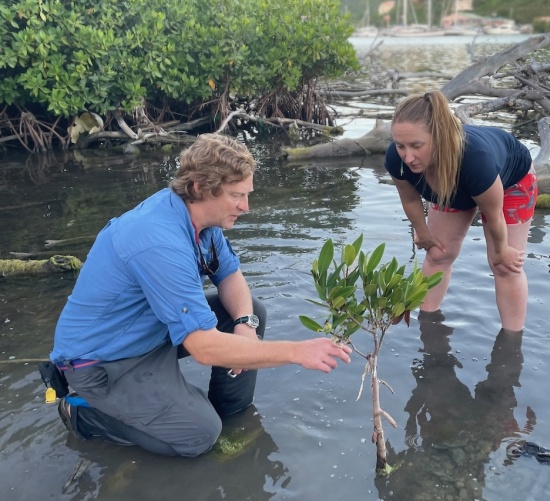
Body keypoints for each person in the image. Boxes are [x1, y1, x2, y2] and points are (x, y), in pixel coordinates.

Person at [49, 133, 351, 457]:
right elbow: (204, 349)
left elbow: (230, 275)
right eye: (237, 195)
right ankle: (84, 413)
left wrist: (246, 330)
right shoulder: (159, 240)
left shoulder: (203, 219)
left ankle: (229, 417)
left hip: (150, 332)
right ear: (198, 188)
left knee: (251, 313)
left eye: (247, 194)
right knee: (199, 436)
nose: (246, 207)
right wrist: (296, 352)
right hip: (102, 363)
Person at [384, 91, 537, 331]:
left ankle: (512, 341)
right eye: (401, 145)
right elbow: (410, 199)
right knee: (438, 254)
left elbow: (493, 214)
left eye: (417, 145)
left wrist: (501, 250)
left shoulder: (475, 159)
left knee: (504, 265)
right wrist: (423, 233)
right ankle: (428, 328)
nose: (408, 156)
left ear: (439, 137)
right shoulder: (397, 159)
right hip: (452, 183)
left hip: (511, 181)